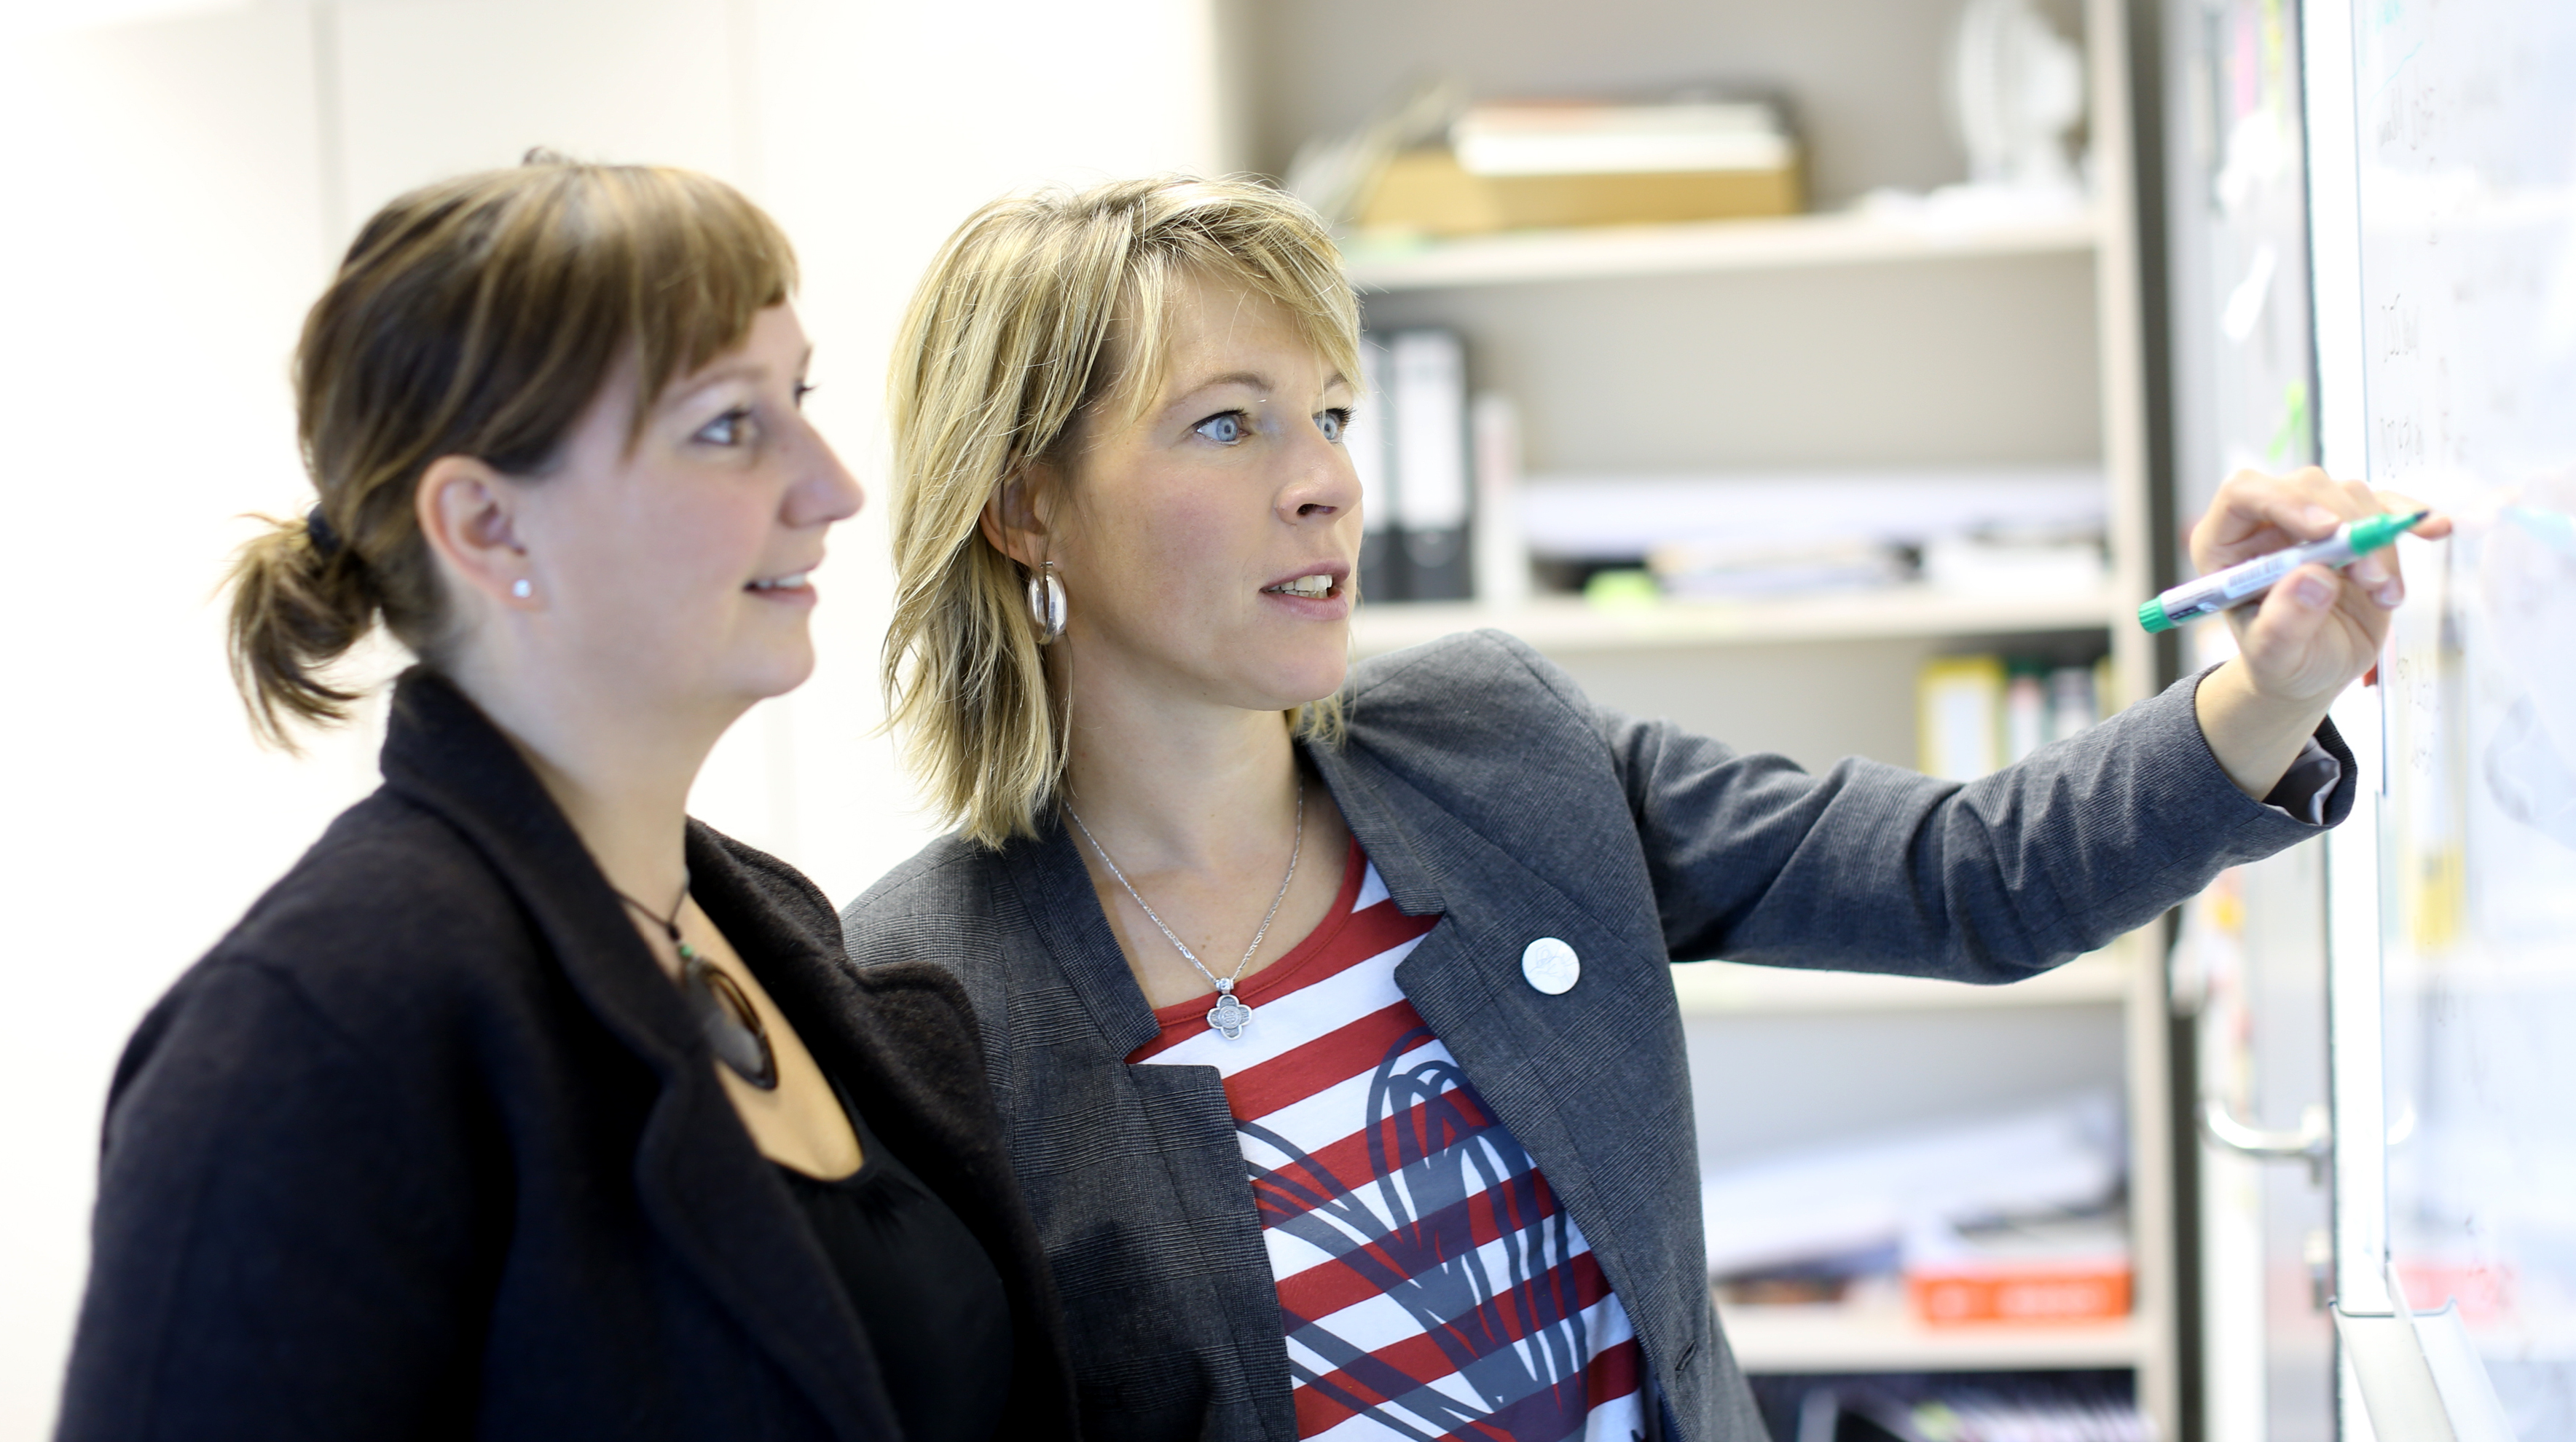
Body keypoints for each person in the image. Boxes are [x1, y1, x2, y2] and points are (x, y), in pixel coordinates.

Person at [841, 175, 2445, 1442]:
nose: (1326, 478)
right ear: (1023, 504)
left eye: (1330, 412)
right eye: (1226, 421)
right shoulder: (916, 989)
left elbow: (1971, 880)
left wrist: (2280, 679)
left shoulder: (1497, 754)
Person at [58, 157, 1077, 1442]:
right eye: (727, 426)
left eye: (798, 398)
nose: (833, 485)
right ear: (487, 526)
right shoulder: (312, 1032)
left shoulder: (767, 923)